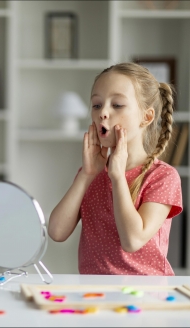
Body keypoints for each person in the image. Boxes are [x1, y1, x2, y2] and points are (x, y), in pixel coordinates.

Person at [48, 62, 182, 275]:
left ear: (146, 117)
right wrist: (86, 176)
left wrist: (118, 177)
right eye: (97, 105)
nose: (103, 113)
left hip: (147, 296)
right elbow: (56, 232)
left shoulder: (163, 176)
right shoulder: (90, 174)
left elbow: (132, 240)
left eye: (117, 105)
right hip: (95, 294)